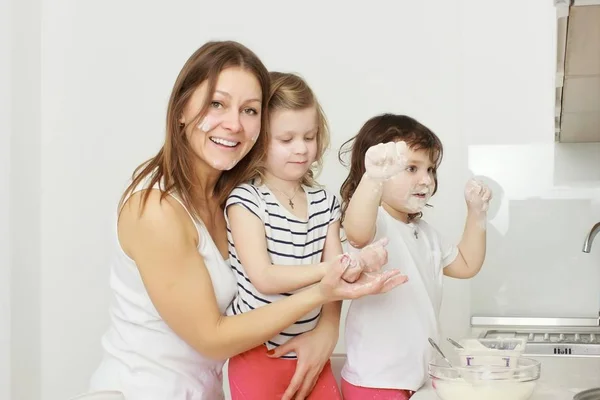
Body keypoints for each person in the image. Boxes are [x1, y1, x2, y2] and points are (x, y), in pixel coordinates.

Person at [87, 41, 406, 400]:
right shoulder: (156, 210)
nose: (234, 124)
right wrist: (323, 289)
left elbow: (324, 252)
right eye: (217, 103)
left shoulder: (229, 192)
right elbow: (211, 337)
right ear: (180, 108)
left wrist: (327, 330)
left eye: (250, 110)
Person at [223, 72, 404, 400]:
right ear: (259, 140)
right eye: (286, 139)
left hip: (310, 352)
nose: (302, 149)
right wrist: (335, 270)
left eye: (310, 136)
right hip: (256, 354)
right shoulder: (247, 200)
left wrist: (361, 264)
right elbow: (264, 278)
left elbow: (338, 275)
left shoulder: (325, 202)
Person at [337, 113, 493, 399]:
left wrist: (476, 214)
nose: (426, 179)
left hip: (418, 377)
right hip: (376, 381)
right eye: (412, 168)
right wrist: (373, 178)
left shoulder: (426, 233)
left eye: (431, 169)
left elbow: (467, 265)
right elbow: (357, 232)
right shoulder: (376, 222)